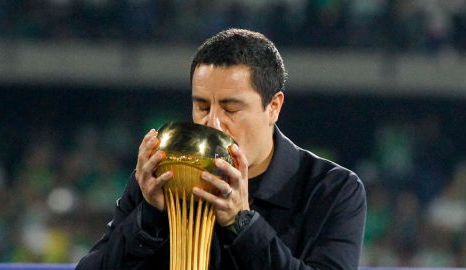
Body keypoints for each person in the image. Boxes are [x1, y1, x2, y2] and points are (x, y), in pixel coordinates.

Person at [76, 28, 366, 270]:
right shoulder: (162, 178)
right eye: (202, 106)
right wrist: (149, 217)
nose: (212, 123)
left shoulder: (333, 190)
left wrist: (243, 224)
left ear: (273, 106)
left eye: (230, 107)